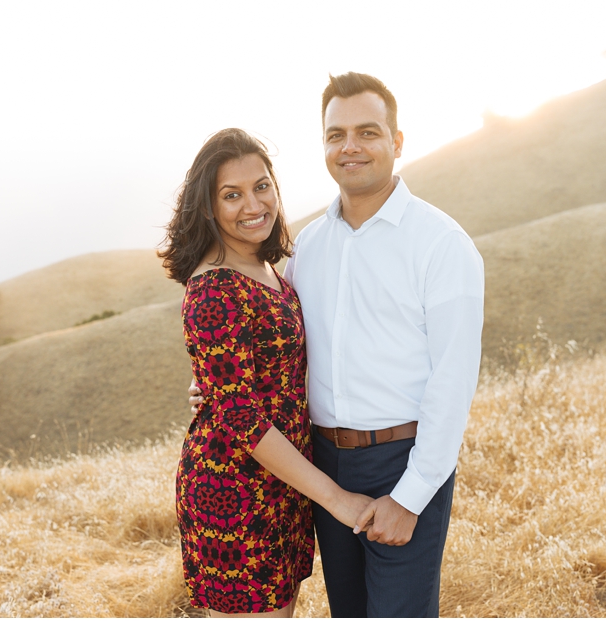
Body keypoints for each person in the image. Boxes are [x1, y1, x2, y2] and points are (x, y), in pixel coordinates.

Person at [189, 74, 486, 617]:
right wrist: (212, 384)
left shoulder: (442, 245)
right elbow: (274, 345)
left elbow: (453, 382)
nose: (350, 146)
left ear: (396, 143)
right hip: (318, 465)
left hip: (402, 461)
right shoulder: (310, 245)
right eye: (336, 134)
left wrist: (410, 495)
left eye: (367, 132)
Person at [160, 128, 375, 617]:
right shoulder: (214, 288)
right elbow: (242, 418)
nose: (252, 204)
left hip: (282, 487)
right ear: (208, 207)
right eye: (230, 195)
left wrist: (211, 386)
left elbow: (249, 374)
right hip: (233, 495)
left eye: (261, 186)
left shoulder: (264, 267)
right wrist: (337, 500)